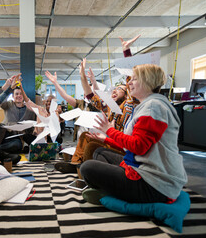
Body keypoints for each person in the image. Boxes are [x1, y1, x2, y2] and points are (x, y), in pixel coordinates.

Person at [80, 64, 188, 204]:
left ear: (147, 81)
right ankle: (111, 187)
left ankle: (110, 191)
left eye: (134, 79)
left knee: (87, 168)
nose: (129, 82)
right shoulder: (150, 104)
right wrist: (107, 138)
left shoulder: (152, 107)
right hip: (144, 167)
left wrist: (109, 131)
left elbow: (138, 147)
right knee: (100, 152)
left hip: (154, 184)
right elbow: (135, 145)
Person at [54, 35, 141, 173]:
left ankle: (85, 171)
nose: (115, 91)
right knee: (85, 136)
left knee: (92, 145)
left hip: (123, 145)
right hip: (113, 141)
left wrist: (126, 51)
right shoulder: (109, 108)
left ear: (127, 94)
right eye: (115, 89)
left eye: (120, 89)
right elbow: (90, 95)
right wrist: (82, 76)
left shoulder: (129, 105)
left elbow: (130, 77)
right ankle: (76, 165)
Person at [0, 80, 37, 155]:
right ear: (13, 96)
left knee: (17, 145)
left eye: (21, 94)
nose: (19, 96)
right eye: (16, 94)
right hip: (4, 134)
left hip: (16, 138)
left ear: (24, 96)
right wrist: (6, 86)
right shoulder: (8, 104)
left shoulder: (30, 110)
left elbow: (32, 128)